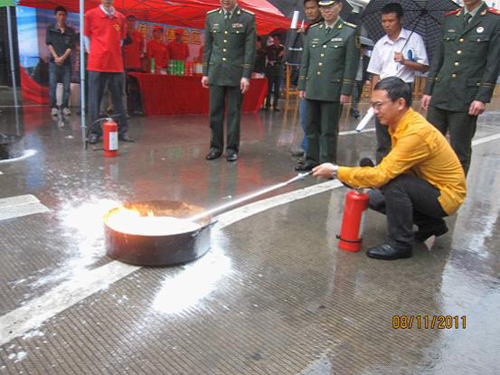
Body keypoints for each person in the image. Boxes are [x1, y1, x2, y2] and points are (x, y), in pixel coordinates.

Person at [313, 77, 466, 260]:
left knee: (394, 183)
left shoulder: (415, 133)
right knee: (372, 196)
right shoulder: (400, 124)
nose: (375, 111)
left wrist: (336, 171)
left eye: (379, 105)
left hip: (446, 196)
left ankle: (400, 244)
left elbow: (382, 176)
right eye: (373, 106)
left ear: (400, 103)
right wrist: (350, 176)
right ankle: (431, 224)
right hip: (428, 187)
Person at [422, 1, 500, 175]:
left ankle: (454, 195)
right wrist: (429, 90)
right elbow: (438, 58)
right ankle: (427, 190)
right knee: (430, 146)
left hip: (466, 97)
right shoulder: (450, 19)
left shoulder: (494, 20)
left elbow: (493, 63)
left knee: (459, 151)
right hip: (441, 91)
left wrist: (482, 97)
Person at [295, 0, 359, 172]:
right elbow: (306, 61)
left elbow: (350, 64)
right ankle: (311, 159)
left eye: (330, 6)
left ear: (339, 7)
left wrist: (346, 90)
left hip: (333, 89)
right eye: (323, 7)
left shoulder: (349, 31)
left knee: (328, 130)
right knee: (310, 126)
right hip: (312, 86)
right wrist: (302, 85)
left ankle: (327, 163)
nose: (326, 10)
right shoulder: (314, 30)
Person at [367, 3, 429, 163]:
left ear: (400, 20)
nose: (387, 25)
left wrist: (405, 61)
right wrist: (373, 98)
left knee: (400, 134)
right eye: (384, 21)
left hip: (402, 90)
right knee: (382, 135)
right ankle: (381, 171)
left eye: (391, 20)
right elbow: (375, 72)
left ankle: (399, 171)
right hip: (383, 89)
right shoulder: (380, 44)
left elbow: (424, 66)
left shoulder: (414, 39)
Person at [202, 0, 256, 162]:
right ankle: (215, 147)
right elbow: (208, 46)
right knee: (215, 112)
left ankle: (232, 149)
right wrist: (206, 72)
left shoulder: (247, 17)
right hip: (216, 72)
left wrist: (246, 75)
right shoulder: (212, 17)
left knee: (233, 113)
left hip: (236, 73)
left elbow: (250, 49)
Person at [85, 0, 133, 144]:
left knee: (119, 99)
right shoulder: (90, 15)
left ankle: (122, 130)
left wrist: (112, 54)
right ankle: (95, 132)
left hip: (115, 65)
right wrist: (94, 54)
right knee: (94, 100)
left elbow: (121, 41)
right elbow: (86, 37)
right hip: (96, 64)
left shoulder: (120, 18)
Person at [292, 0, 322, 159]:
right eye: (307, 9)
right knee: (306, 118)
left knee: (317, 119)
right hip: (308, 79)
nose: (310, 11)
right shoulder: (309, 28)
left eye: (313, 8)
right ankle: (307, 147)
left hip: (322, 81)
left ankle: (312, 150)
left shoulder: (324, 28)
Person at [46, 6, 75, 116]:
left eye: (63, 14)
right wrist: (56, 57)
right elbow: (49, 44)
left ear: (66, 16)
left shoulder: (70, 31)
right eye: (59, 14)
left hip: (66, 63)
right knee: (53, 85)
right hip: (54, 62)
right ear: (55, 16)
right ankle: (53, 106)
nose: (61, 17)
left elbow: (70, 47)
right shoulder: (50, 29)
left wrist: (62, 58)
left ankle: (65, 106)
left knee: (66, 87)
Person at [123, 14, 145, 116]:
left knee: (136, 88)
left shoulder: (139, 35)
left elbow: (141, 49)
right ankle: (124, 110)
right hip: (125, 65)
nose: (131, 22)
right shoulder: (123, 34)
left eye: (133, 20)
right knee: (124, 88)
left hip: (136, 66)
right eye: (129, 20)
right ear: (126, 22)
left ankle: (137, 108)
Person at [350, 42, 371, 119]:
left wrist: (368, 79)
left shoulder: (367, 59)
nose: (362, 50)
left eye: (364, 49)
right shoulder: (354, 58)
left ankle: (353, 108)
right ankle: (355, 109)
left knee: (359, 94)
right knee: (355, 94)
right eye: (361, 48)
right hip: (354, 79)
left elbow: (368, 70)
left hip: (362, 79)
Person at [264, 34, 285, 111]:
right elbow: (271, 58)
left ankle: (275, 104)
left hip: (279, 71)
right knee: (269, 88)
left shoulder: (283, 48)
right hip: (270, 70)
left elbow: (284, 61)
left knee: (277, 88)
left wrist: (283, 54)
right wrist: (279, 56)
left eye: (277, 39)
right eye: (274, 39)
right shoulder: (269, 48)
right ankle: (267, 104)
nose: (275, 41)